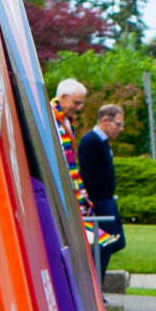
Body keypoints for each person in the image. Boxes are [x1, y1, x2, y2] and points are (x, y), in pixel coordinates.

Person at [78, 103, 127, 278]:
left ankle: (94, 279)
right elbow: (87, 175)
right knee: (104, 245)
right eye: (118, 124)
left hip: (108, 199)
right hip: (98, 201)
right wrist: (89, 204)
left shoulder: (104, 142)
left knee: (118, 241)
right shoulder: (91, 142)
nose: (120, 129)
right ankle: (95, 286)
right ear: (105, 120)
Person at [51, 80, 98, 234]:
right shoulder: (50, 116)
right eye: (76, 103)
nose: (79, 108)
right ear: (63, 97)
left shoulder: (64, 119)